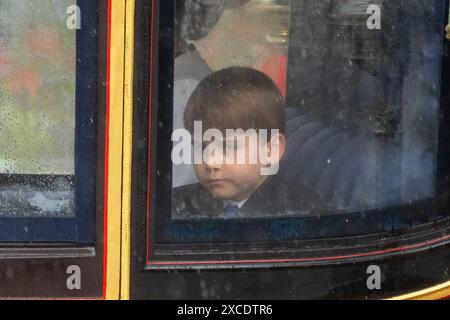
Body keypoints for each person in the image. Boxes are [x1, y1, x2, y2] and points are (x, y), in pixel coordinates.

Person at [172, 67, 327, 219]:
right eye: (201, 147)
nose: (211, 162)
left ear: (271, 150)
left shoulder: (301, 215)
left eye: (228, 146)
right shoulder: (175, 205)